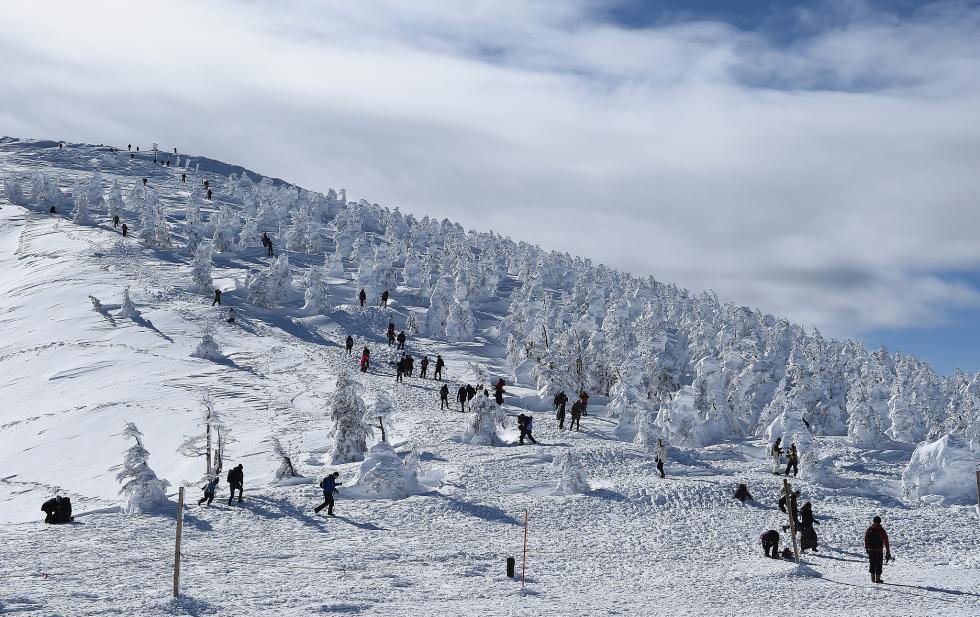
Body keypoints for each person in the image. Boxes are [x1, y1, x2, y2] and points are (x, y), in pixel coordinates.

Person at [864, 516, 891, 583]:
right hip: (879, 550)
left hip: (871, 550)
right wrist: (888, 551)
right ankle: (877, 579)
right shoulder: (882, 530)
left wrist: (866, 548)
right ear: (880, 521)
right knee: (879, 564)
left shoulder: (869, 529)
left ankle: (872, 579)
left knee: (872, 563)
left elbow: (866, 539)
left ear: (873, 521)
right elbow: (886, 541)